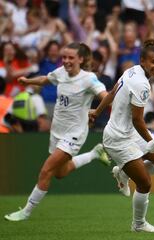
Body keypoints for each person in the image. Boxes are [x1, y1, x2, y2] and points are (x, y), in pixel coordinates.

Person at [4, 42, 111, 222]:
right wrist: (28, 81)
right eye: (64, 57)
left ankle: (26, 212)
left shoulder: (89, 79)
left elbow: (105, 96)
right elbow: (46, 79)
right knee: (60, 173)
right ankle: (94, 153)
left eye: (71, 58)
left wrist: (99, 110)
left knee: (46, 171)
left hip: (75, 133)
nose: (66, 61)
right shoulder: (61, 72)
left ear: (81, 59)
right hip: (57, 130)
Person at [89, 39, 154, 233]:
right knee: (144, 182)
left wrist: (96, 111)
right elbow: (138, 120)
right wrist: (152, 142)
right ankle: (138, 224)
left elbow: (111, 93)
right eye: (153, 62)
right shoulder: (141, 84)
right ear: (143, 61)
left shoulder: (132, 70)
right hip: (118, 138)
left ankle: (123, 172)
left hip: (132, 132)